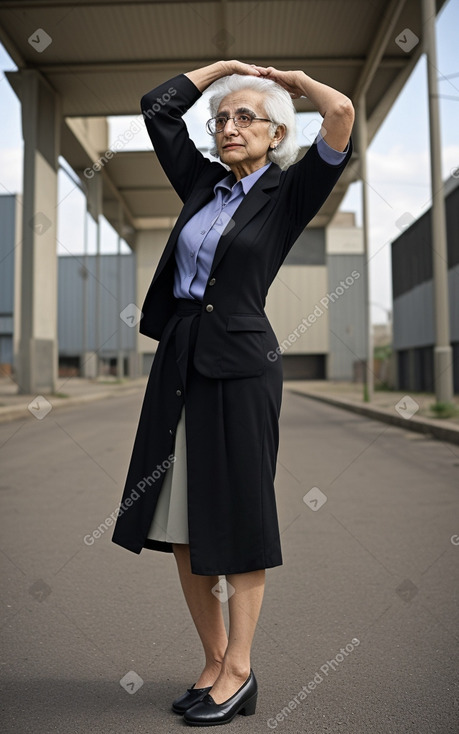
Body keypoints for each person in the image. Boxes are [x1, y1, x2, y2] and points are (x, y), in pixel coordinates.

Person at [112, 59, 354, 726]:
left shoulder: (290, 192)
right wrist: (223, 71)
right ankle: (215, 661)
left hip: (242, 364)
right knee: (180, 519)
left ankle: (242, 669)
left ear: (276, 133)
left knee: (239, 517)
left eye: (245, 116)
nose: (227, 126)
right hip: (180, 357)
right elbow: (156, 107)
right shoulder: (200, 184)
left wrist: (292, 82)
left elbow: (339, 118)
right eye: (221, 118)